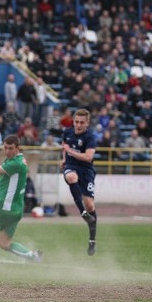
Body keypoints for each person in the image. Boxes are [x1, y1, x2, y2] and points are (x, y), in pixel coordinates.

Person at [0, 135, 42, 262]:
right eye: (5, 148)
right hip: (16, 210)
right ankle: (33, 256)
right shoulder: (16, 160)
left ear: (17, 148)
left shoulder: (15, 164)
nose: (7, 151)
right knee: (4, 244)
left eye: (10, 148)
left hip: (6, 208)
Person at [61, 108, 98, 256]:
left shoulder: (90, 137)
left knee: (90, 205)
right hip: (71, 167)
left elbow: (89, 157)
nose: (78, 125)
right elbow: (65, 147)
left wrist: (69, 152)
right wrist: (64, 158)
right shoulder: (67, 132)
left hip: (87, 170)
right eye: (76, 122)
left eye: (81, 122)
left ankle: (92, 241)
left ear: (87, 123)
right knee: (71, 177)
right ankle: (82, 212)